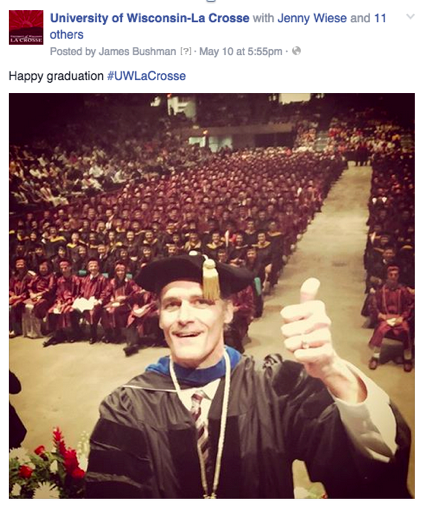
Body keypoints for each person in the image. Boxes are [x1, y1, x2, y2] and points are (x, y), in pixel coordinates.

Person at [86, 255, 410, 499]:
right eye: (172, 305)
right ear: (160, 317)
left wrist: (333, 371)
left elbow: (373, 467)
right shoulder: (127, 406)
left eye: (202, 302)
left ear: (227, 312)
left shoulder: (277, 385)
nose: (185, 317)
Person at [368, 266, 414, 372]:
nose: (393, 277)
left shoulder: (403, 290)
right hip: (385, 317)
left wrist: (403, 317)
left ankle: (407, 358)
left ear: (398, 276)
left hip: (399, 317)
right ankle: (375, 357)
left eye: (395, 275)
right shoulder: (381, 291)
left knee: (406, 330)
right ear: (387, 276)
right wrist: (380, 315)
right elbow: (374, 305)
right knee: (380, 330)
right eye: (391, 275)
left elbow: (410, 305)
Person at [45, 258, 81, 346]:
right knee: (51, 311)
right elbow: (58, 294)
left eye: (66, 267)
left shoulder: (76, 280)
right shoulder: (60, 280)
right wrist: (59, 303)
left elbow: (78, 294)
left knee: (67, 311)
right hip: (61, 301)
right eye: (62, 268)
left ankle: (73, 334)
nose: (63, 270)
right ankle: (58, 334)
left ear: (70, 267)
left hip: (72, 302)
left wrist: (66, 303)